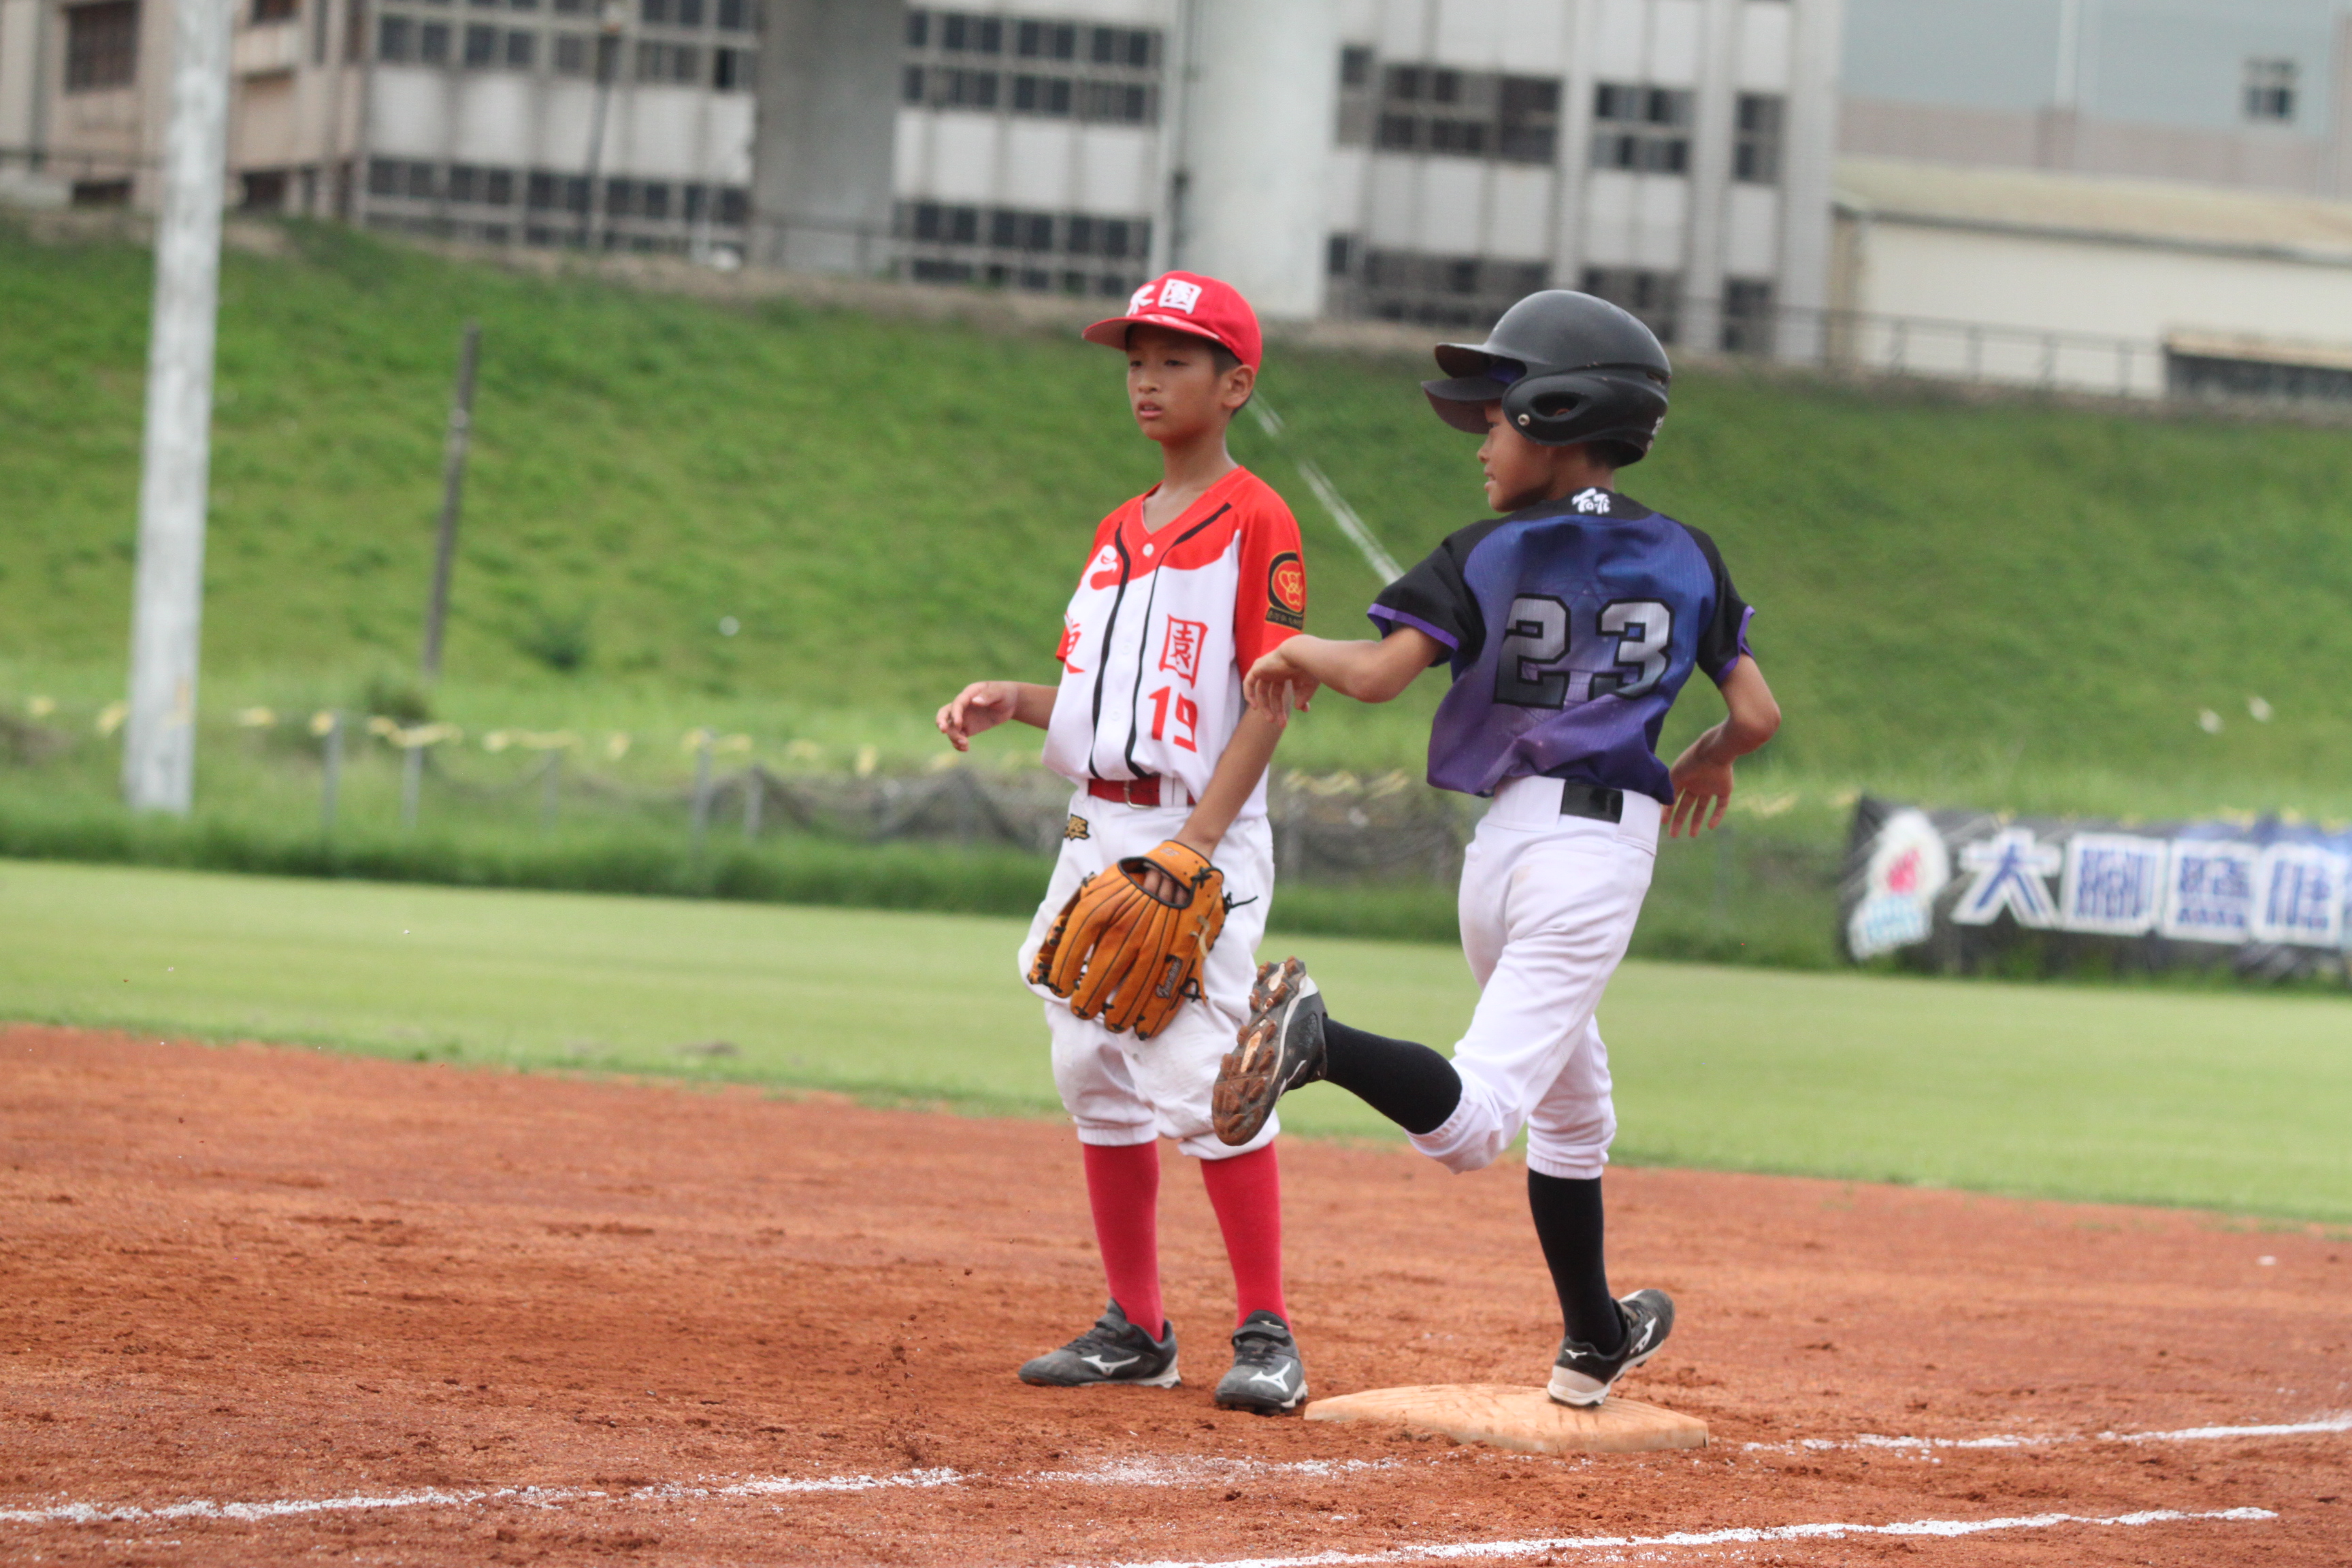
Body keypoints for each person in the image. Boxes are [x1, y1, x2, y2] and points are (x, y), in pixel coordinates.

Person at [1213, 290, 1781, 1408]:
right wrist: (1710, 756)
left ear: (1557, 415)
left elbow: (1378, 676)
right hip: (1594, 858)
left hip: (1502, 853)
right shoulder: (1689, 554)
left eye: (1499, 420)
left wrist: (1297, 649)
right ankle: (1319, 1040)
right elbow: (1756, 716)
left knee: (1577, 1112)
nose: (1483, 442)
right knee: (1474, 1126)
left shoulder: (1481, 553)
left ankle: (1594, 1339)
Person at [936, 272, 1315, 1415]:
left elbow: (1269, 700)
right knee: (1091, 1072)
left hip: (1196, 831)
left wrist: (1197, 844)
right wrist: (1017, 699)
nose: (1147, 380)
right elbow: (1113, 707)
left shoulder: (1255, 517)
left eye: (1175, 361)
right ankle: (1136, 1327)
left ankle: (1268, 1331)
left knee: (1203, 1079)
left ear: (1234, 385)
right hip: (1098, 825)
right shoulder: (1118, 529)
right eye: (1136, 361)